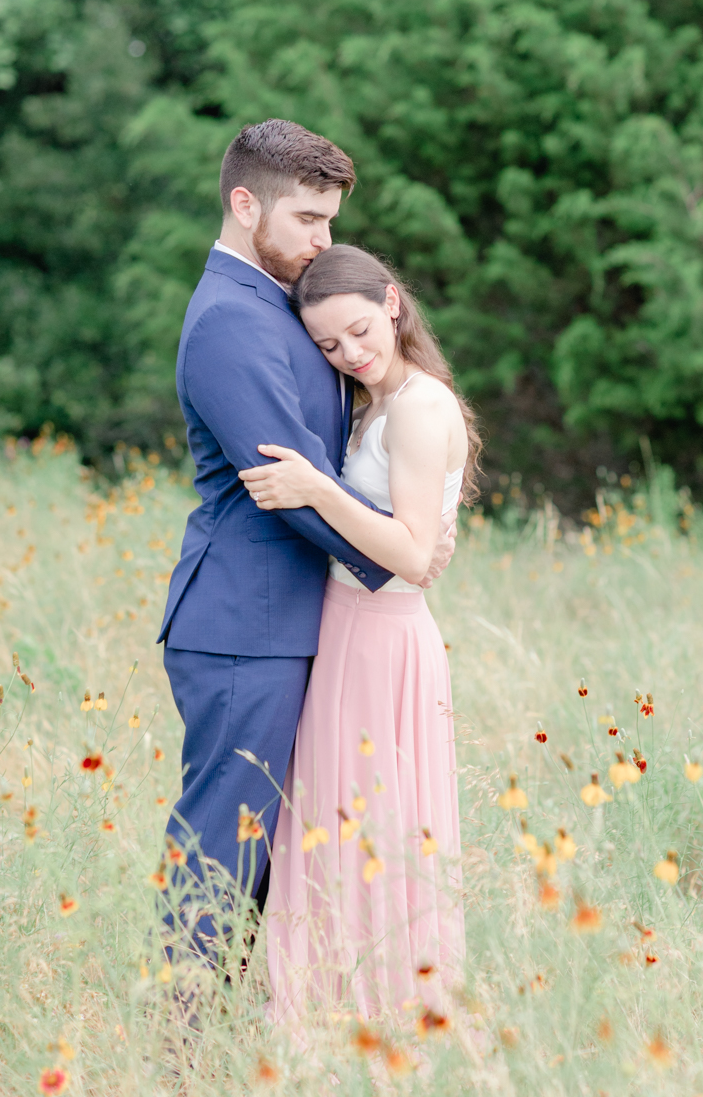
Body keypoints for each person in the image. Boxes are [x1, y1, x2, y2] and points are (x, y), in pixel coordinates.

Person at [157, 121, 457, 966]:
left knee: (276, 849)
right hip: (241, 626)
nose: (323, 241)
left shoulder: (275, 301)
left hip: (294, 621)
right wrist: (399, 555)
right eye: (308, 221)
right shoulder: (227, 318)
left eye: (330, 221)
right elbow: (279, 477)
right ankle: (184, 1047)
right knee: (224, 844)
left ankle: (246, 1018)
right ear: (244, 203)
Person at [238, 245, 482, 1019]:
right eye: (329, 346)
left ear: (392, 303)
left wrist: (315, 486)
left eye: (358, 330)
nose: (350, 352)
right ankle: (325, 1000)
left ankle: (380, 1010)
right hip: (346, 628)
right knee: (331, 820)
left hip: (383, 640)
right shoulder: (376, 403)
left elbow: (410, 553)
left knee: (375, 825)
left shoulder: (419, 405)